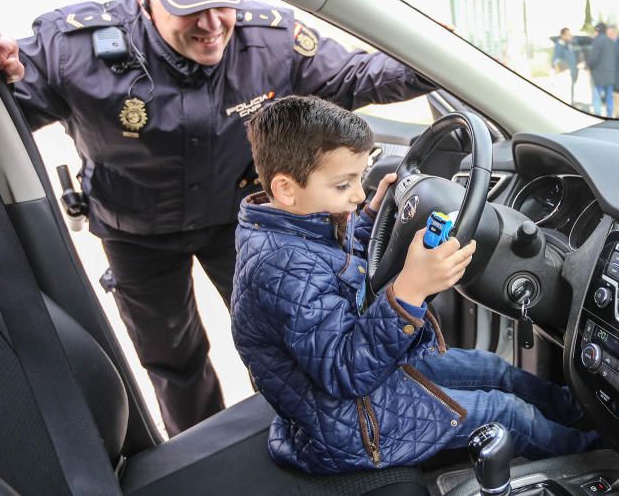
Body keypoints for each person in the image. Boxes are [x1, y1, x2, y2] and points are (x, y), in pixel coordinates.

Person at [0, 0, 435, 436]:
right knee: (174, 362)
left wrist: (432, 53)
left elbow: (356, 76)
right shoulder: (72, 49)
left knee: (282, 339)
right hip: (136, 232)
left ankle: (300, 435)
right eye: (190, 8)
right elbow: (7, 104)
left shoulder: (271, 39)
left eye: (221, 3)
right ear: (144, 0)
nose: (211, 23)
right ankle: (200, 451)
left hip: (235, 223)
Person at [232, 96, 599, 474]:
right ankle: (595, 456)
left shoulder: (293, 224)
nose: (357, 195)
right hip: (351, 426)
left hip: (372, 384)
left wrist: (373, 215)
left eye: (360, 179)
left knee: (494, 370)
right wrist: (409, 291)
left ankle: (582, 414)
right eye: (344, 185)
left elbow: (333, 267)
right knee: (506, 413)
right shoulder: (278, 266)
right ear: (286, 188)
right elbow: (344, 370)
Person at [586, 23, 617, 117]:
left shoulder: (597, 41)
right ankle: (609, 115)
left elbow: (593, 58)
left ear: (597, 30)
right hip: (610, 75)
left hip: (598, 75)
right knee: (609, 97)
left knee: (596, 97)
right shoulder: (611, 41)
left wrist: (588, 65)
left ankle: (598, 117)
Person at [552, 27, 578, 104]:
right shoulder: (559, 46)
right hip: (565, 76)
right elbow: (556, 61)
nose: (570, 36)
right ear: (563, 35)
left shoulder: (569, 45)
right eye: (568, 34)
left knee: (571, 96)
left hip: (571, 74)